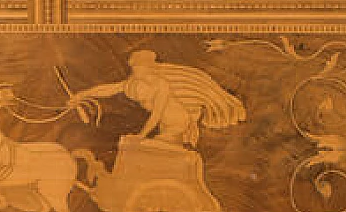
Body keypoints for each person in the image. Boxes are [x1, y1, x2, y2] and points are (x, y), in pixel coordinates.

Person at [67, 49, 245, 148]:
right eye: (134, 67)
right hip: (164, 125)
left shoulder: (161, 85)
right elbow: (109, 89)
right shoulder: (133, 82)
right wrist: (82, 95)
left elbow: (157, 114)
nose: (135, 70)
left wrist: (141, 136)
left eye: (138, 67)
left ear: (148, 67)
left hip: (177, 124)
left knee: (150, 149)